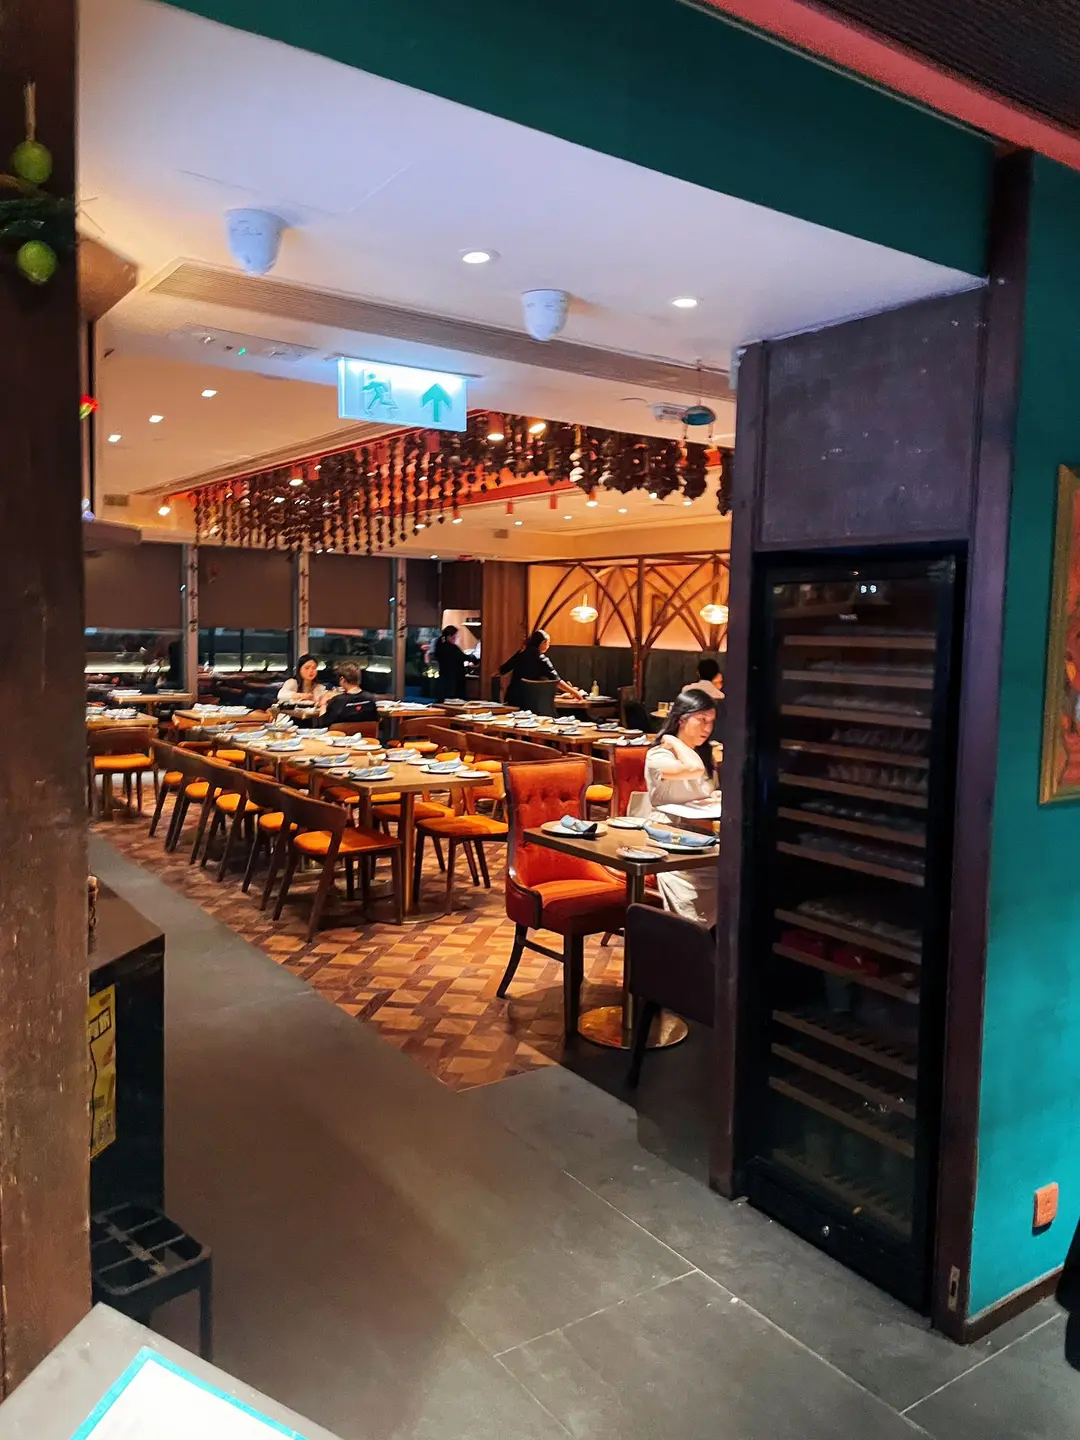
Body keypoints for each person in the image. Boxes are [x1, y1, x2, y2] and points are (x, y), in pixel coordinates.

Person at [631, 688, 719, 927]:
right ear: (681, 719)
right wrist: (674, 740)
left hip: (704, 836)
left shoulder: (704, 755)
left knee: (739, 869)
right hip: (669, 838)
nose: (708, 728)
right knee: (718, 874)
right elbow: (693, 769)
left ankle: (720, 938)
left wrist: (714, 796)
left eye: (711, 722)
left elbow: (702, 788)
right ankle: (693, 934)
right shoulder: (660, 755)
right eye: (702, 720)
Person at [498, 629, 586, 708]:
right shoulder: (542, 659)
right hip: (532, 703)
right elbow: (557, 681)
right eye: (548, 643)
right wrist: (575, 693)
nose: (548, 646)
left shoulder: (521, 655)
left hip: (512, 700)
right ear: (543, 642)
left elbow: (502, 670)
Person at [683, 657, 725, 745]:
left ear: (698, 673)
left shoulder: (687, 690)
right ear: (716, 675)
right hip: (715, 737)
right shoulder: (720, 696)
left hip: (689, 736)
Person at [322, 662, 378, 726]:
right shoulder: (370, 698)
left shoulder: (338, 700)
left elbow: (323, 724)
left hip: (341, 732)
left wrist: (323, 704)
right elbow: (375, 721)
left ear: (342, 680)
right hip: (366, 732)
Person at [433, 624, 467, 701]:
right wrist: (474, 659)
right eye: (457, 636)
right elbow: (464, 657)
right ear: (450, 636)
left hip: (443, 679)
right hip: (454, 681)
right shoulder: (452, 648)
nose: (458, 638)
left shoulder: (439, 645)